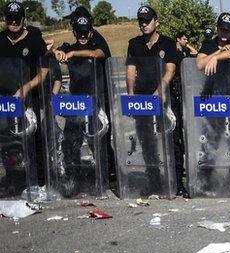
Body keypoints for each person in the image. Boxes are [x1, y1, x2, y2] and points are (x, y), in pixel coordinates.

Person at [50, 13, 111, 197]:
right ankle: (74, 181)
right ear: (74, 32)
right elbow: (52, 54)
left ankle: (102, 183)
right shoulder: (68, 47)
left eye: (86, 32)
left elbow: (96, 54)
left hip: (94, 102)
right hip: (75, 105)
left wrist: (74, 53)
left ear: (91, 32)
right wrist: (56, 52)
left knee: (98, 145)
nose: (83, 36)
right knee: (70, 145)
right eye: (79, 33)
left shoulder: (97, 47)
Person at [124, 5, 182, 195]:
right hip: (142, 99)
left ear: (156, 22)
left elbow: (170, 70)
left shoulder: (167, 43)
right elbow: (131, 70)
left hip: (163, 97)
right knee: (147, 142)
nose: (144, 24)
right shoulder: (134, 44)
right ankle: (154, 183)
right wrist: (131, 94)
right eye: (141, 21)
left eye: (147, 20)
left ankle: (177, 183)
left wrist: (159, 91)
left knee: (172, 140)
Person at [190, 12, 230, 196]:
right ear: (217, 27)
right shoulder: (209, 44)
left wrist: (220, 57)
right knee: (209, 143)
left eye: (228, 30)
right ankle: (205, 182)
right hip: (212, 102)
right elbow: (199, 64)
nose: (224, 33)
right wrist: (217, 53)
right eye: (222, 28)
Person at [0, 1, 51, 195]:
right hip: (5, 100)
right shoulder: (1, 39)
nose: (13, 21)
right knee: (7, 140)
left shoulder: (35, 41)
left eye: (17, 18)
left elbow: (43, 72)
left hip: (29, 98)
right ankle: (14, 179)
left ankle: (39, 181)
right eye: (9, 18)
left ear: (23, 19)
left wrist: (26, 88)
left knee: (34, 138)